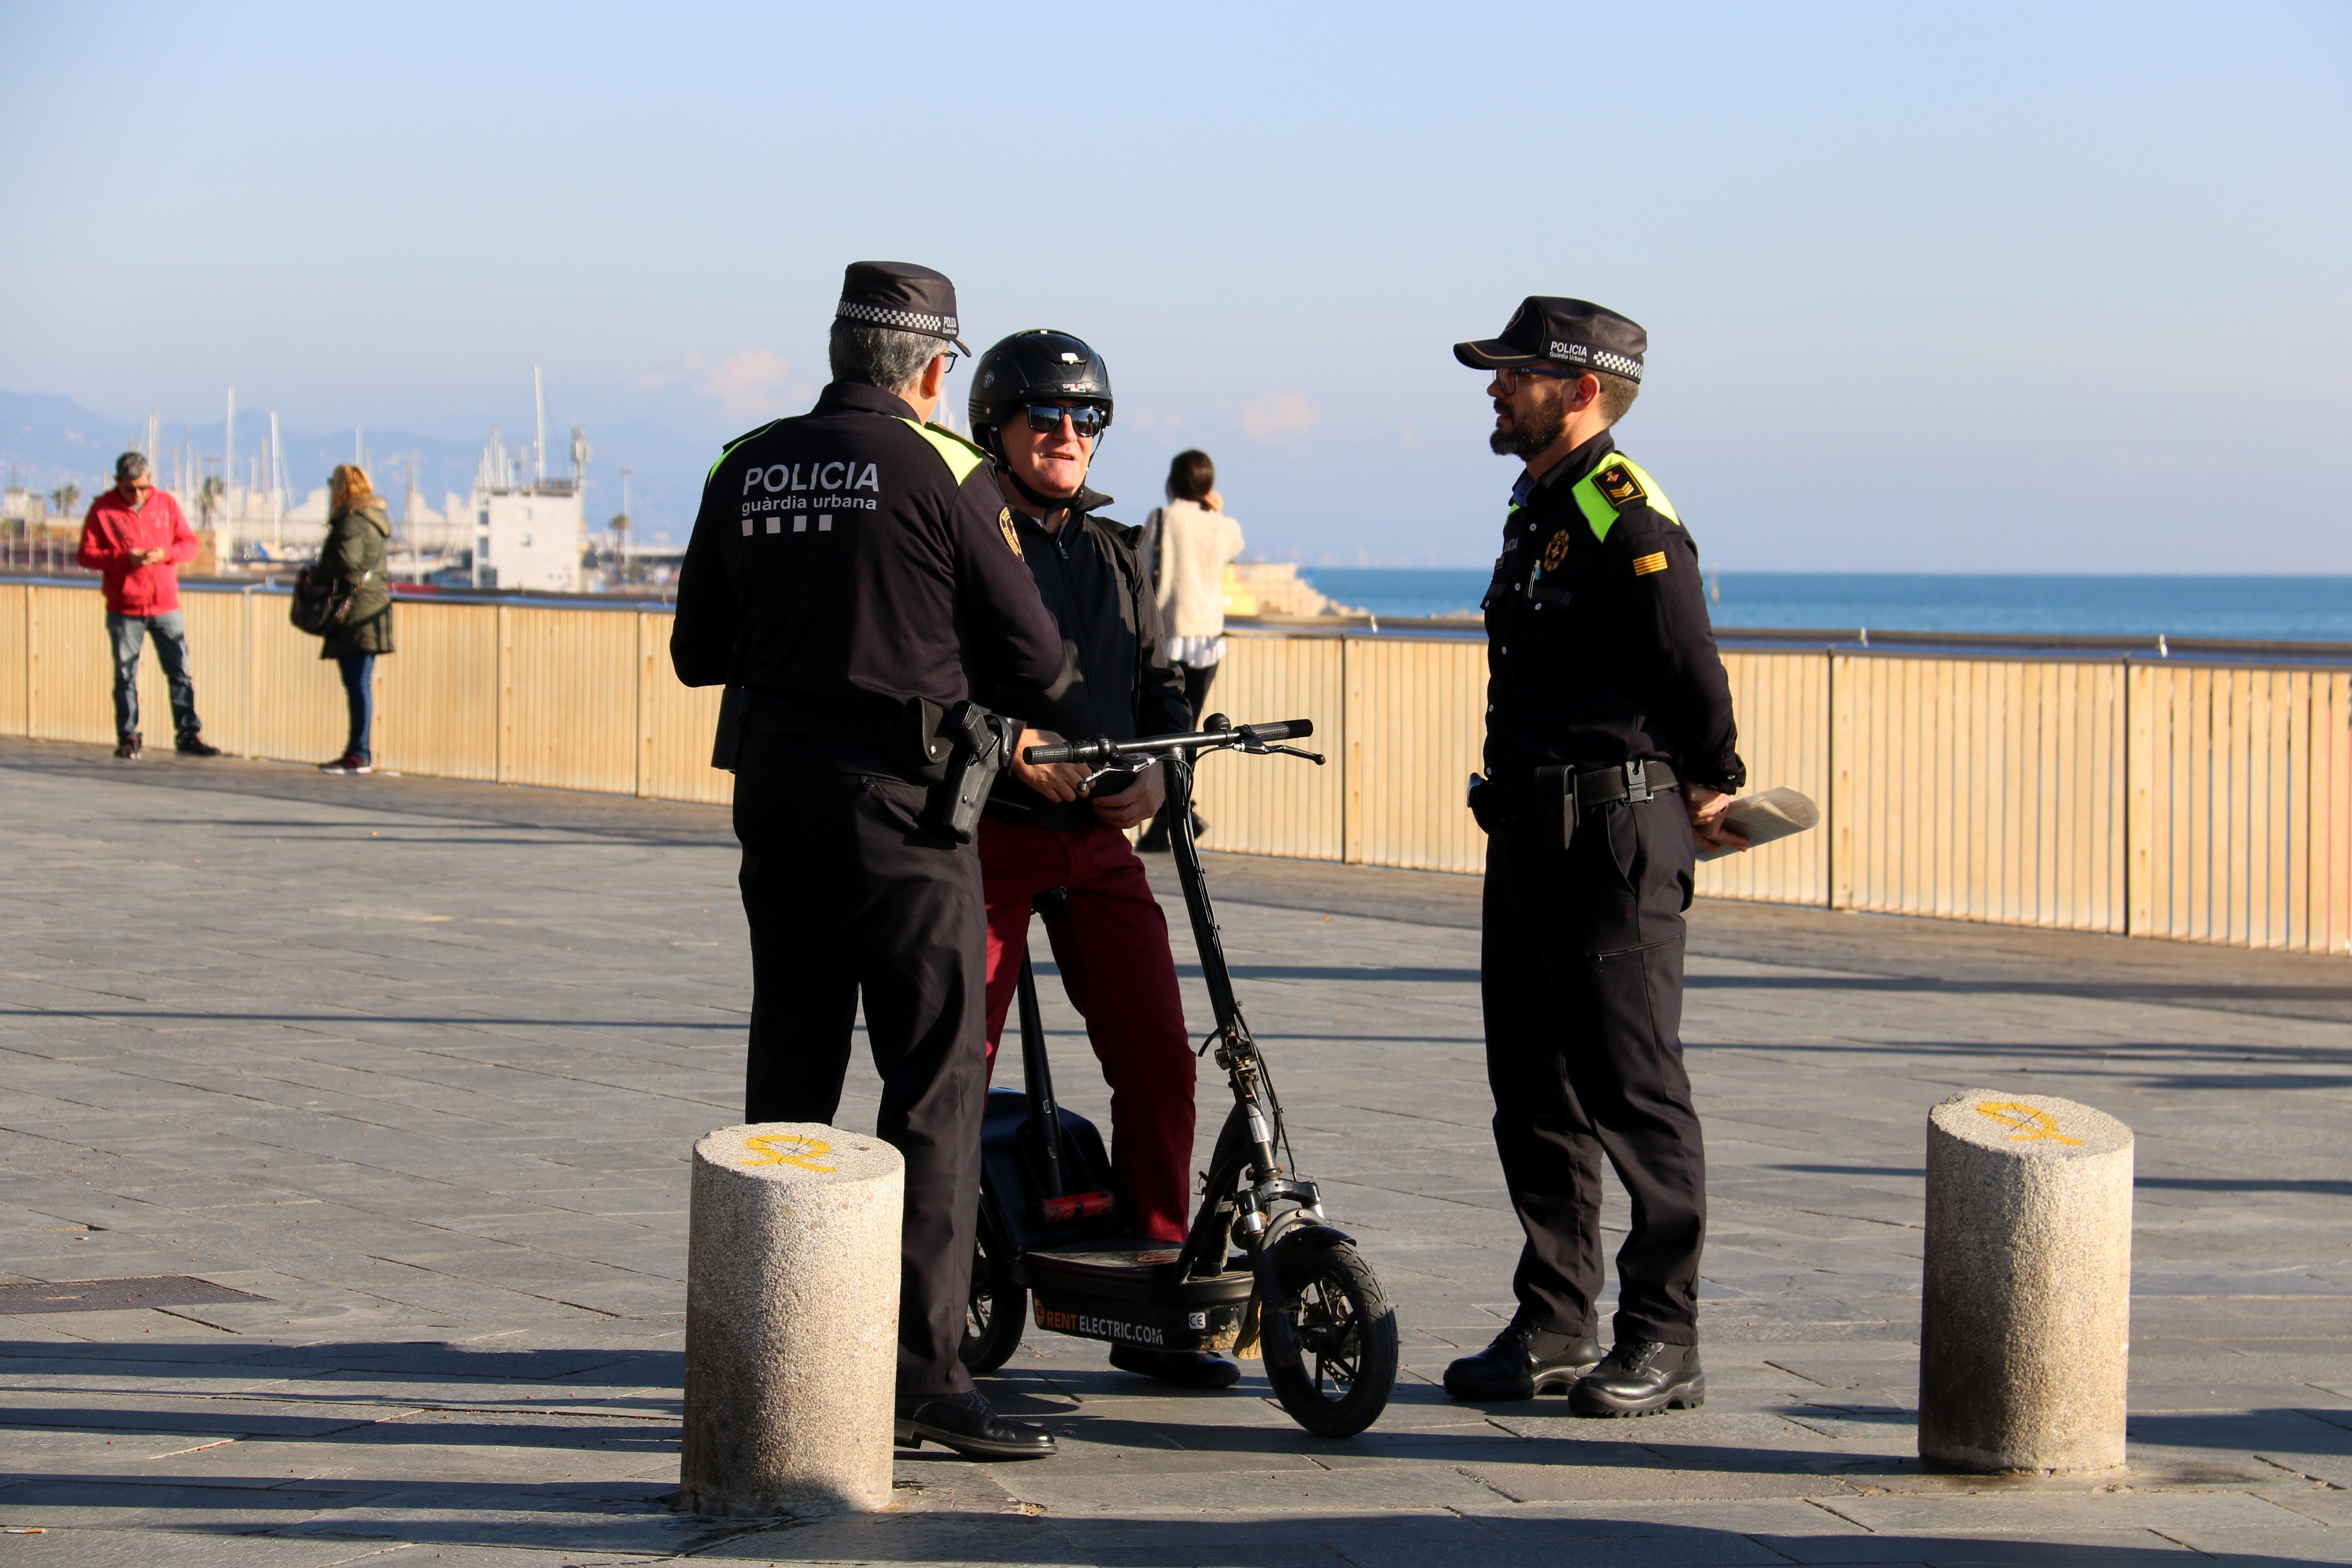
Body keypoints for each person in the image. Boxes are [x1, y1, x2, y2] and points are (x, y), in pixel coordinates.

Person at [670, 262, 1070, 1462]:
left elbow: (699, 650)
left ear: (841, 348)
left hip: (775, 792)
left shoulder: (742, 461)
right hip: (900, 808)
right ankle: (919, 1371)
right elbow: (1040, 660)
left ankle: (775, 1340)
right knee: (934, 1080)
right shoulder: (946, 470)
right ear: (938, 370)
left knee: (791, 1065)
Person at [1442, 297, 1747, 1418]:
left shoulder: (1623, 507)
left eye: (1512, 371)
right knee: (1533, 1091)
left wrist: (1713, 773)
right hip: (1527, 833)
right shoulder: (1541, 507)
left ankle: (1665, 1335)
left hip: (1613, 832)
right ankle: (1555, 1317)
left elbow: (1688, 659)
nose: (1491, 388)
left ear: (1578, 388)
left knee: (1634, 1090)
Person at [963, 331, 1229, 1389]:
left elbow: (1161, 689)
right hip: (985, 832)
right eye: (1047, 417)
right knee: (950, 1070)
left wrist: (1162, 777)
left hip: (1096, 837)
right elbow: (923, 678)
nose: (1069, 435)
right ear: (997, 425)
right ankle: (924, 1310)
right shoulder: (965, 537)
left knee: (1161, 1056)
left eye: (1088, 419)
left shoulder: (1115, 551)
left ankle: (1154, 1288)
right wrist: (1011, 747)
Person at [77, 453, 220, 761]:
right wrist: (123, 559)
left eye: (143, 487)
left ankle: (188, 734)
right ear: (119, 484)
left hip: (166, 606)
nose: (138, 495)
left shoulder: (166, 504)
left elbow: (189, 545)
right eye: (130, 489)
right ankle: (129, 736)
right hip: (124, 608)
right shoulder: (102, 510)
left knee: (180, 672)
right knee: (125, 675)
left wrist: (165, 554)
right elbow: (87, 554)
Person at [1136, 450, 1244, 853]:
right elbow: (1235, 541)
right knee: (1187, 731)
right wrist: (1214, 509)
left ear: (1174, 480)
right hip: (1209, 640)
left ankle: (1169, 820)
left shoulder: (1163, 519)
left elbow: (1143, 570)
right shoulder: (1221, 526)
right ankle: (1180, 817)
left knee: (1168, 731)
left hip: (1169, 636)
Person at [315, 464, 394, 775]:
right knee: (360, 683)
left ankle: (358, 753)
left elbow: (345, 563)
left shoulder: (351, 523)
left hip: (357, 614)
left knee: (357, 684)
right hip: (372, 610)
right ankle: (358, 752)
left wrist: (323, 571)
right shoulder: (372, 522)